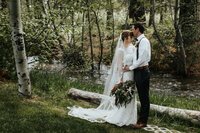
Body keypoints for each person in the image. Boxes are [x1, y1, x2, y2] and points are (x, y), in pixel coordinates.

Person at [68, 30, 137, 126]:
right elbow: (119, 66)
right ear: (126, 38)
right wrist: (120, 79)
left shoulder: (133, 48)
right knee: (124, 95)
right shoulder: (121, 50)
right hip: (125, 75)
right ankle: (122, 116)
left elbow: (135, 62)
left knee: (131, 95)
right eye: (131, 36)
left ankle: (130, 117)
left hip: (132, 75)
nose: (132, 38)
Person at [124, 23, 151, 128]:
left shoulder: (144, 41)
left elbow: (142, 59)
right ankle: (140, 119)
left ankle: (143, 122)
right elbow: (137, 58)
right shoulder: (138, 42)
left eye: (133, 29)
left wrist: (130, 68)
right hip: (139, 71)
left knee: (144, 97)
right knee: (141, 96)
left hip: (142, 71)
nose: (132, 31)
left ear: (138, 29)